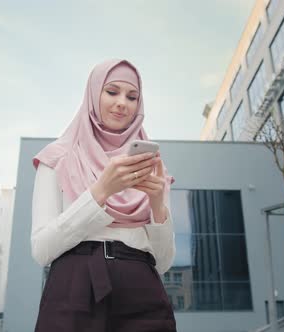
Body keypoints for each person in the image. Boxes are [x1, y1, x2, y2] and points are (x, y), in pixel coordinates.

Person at [31, 59, 177, 331]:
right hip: (75, 285)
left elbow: (164, 261)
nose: (122, 102)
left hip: (142, 288)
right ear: (93, 94)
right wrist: (101, 192)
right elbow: (42, 250)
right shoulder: (58, 157)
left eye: (132, 96)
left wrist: (157, 206)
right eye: (112, 92)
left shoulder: (152, 166)